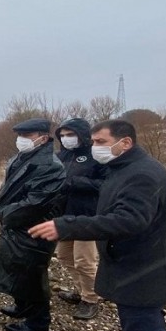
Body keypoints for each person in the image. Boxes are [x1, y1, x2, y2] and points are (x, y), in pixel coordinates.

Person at [29, 119, 166, 331]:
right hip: (142, 268)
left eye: (101, 142)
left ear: (125, 143)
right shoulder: (124, 168)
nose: (95, 147)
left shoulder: (141, 175)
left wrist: (66, 225)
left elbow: (129, 220)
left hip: (143, 273)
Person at [0, 118, 66, 331]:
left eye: (27, 136)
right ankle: (22, 306)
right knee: (15, 268)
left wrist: (6, 214)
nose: (21, 140)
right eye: (20, 136)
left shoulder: (50, 166)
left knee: (32, 275)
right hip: (16, 226)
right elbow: (6, 189)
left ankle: (38, 323)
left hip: (35, 228)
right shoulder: (21, 157)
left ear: (43, 138)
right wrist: (0, 207)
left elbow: (36, 202)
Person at [54, 118, 106, 320]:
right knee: (65, 256)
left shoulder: (96, 155)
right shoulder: (62, 155)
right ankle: (81, 290)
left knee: (84, 260)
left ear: (82, 135)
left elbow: (105, 184)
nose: (66, 139)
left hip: (87, 215)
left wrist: (76, 182)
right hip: (65, 214)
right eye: (63, 135)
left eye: (70, 135)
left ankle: (91, 299)